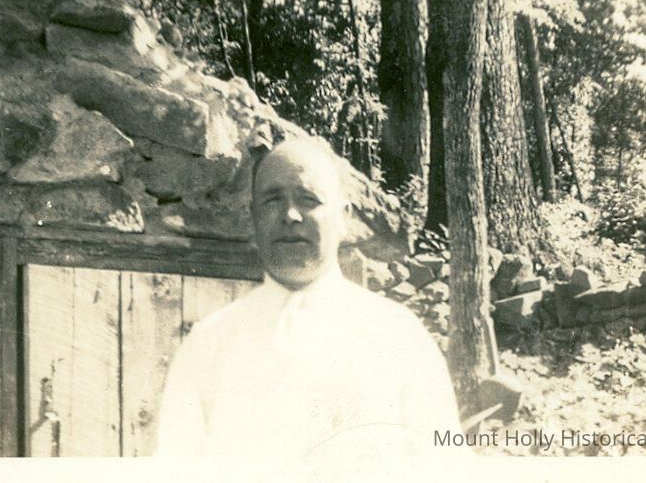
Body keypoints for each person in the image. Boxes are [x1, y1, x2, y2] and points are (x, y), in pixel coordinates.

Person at [155, 137, 466, 465]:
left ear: (344, 217)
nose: (290, 215)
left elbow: (447, 466)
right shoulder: (208, 344)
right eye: (272, 200)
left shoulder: (400, 337)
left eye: (308, 199)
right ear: (253, 217)